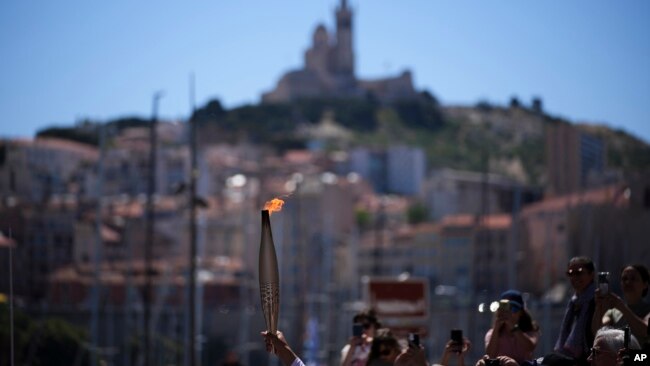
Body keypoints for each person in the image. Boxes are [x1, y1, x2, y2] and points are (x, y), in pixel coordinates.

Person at [592, 264, 650, 345]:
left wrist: (621, 307)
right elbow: (597, 331)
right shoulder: (613, 311)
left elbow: (645, 331)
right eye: (624, 279)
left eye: (633, 279)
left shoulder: (647, 310)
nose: (628, 282)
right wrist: (599, 307)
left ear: (645, 285)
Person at [554, 256, 597, 365]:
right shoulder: (573, 302)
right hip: (573, 358)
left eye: (579, 273)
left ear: (591, 274)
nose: (574, 277)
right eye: (570, 273)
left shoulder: (598, 300)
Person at [484, 290, 540, 364]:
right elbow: (490, 354)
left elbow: (530, 347)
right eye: (506, 308)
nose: (509, 312)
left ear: (521, 312)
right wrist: (496, 328)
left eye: (513, 308)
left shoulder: (530, 330)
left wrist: (514, 327)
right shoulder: (493, 333)